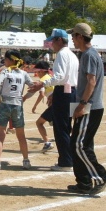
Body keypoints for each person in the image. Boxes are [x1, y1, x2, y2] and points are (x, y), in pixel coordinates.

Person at [67, 23, 106, 195]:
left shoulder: (88, 55)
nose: (72, 38)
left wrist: (82, 105)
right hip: (88, 105)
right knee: (79, 144)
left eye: (73, 35)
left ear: (80, 36)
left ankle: (102, 177)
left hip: (89, 106)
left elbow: (91, 82)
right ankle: (84, 182)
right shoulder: (89, 54)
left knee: (79, 145)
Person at [28, 29, 79, 172]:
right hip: (71, 92)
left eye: (53, 41)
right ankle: (69, 158)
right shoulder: (72, 55)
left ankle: (65, 162)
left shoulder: (62, 54)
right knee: (67, 127)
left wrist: (43, 84)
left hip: (64, 92)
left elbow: (60, 77)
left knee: (60, 127)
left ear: (59, 40)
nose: (51, 44)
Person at [0, 49, 35, 174]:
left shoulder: (6, 72)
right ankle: (26, 161)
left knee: (0, 136)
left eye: (5, 59)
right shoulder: (23, 73)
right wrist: (25, 97)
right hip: (17, 105)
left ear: (10, 60)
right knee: (21, 135)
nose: (4, 61)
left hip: (4, 104)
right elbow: (33, 87)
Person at [32, 61, 55, 153]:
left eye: (37, 71)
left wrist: (35, 106)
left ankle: (47, 142)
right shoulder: (50, 77)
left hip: (55, 105)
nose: (37, 73)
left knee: (39, 123)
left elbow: (41, 94)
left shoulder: (43, 80)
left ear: (41, 71)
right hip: (59, 103)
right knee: (61, 124)